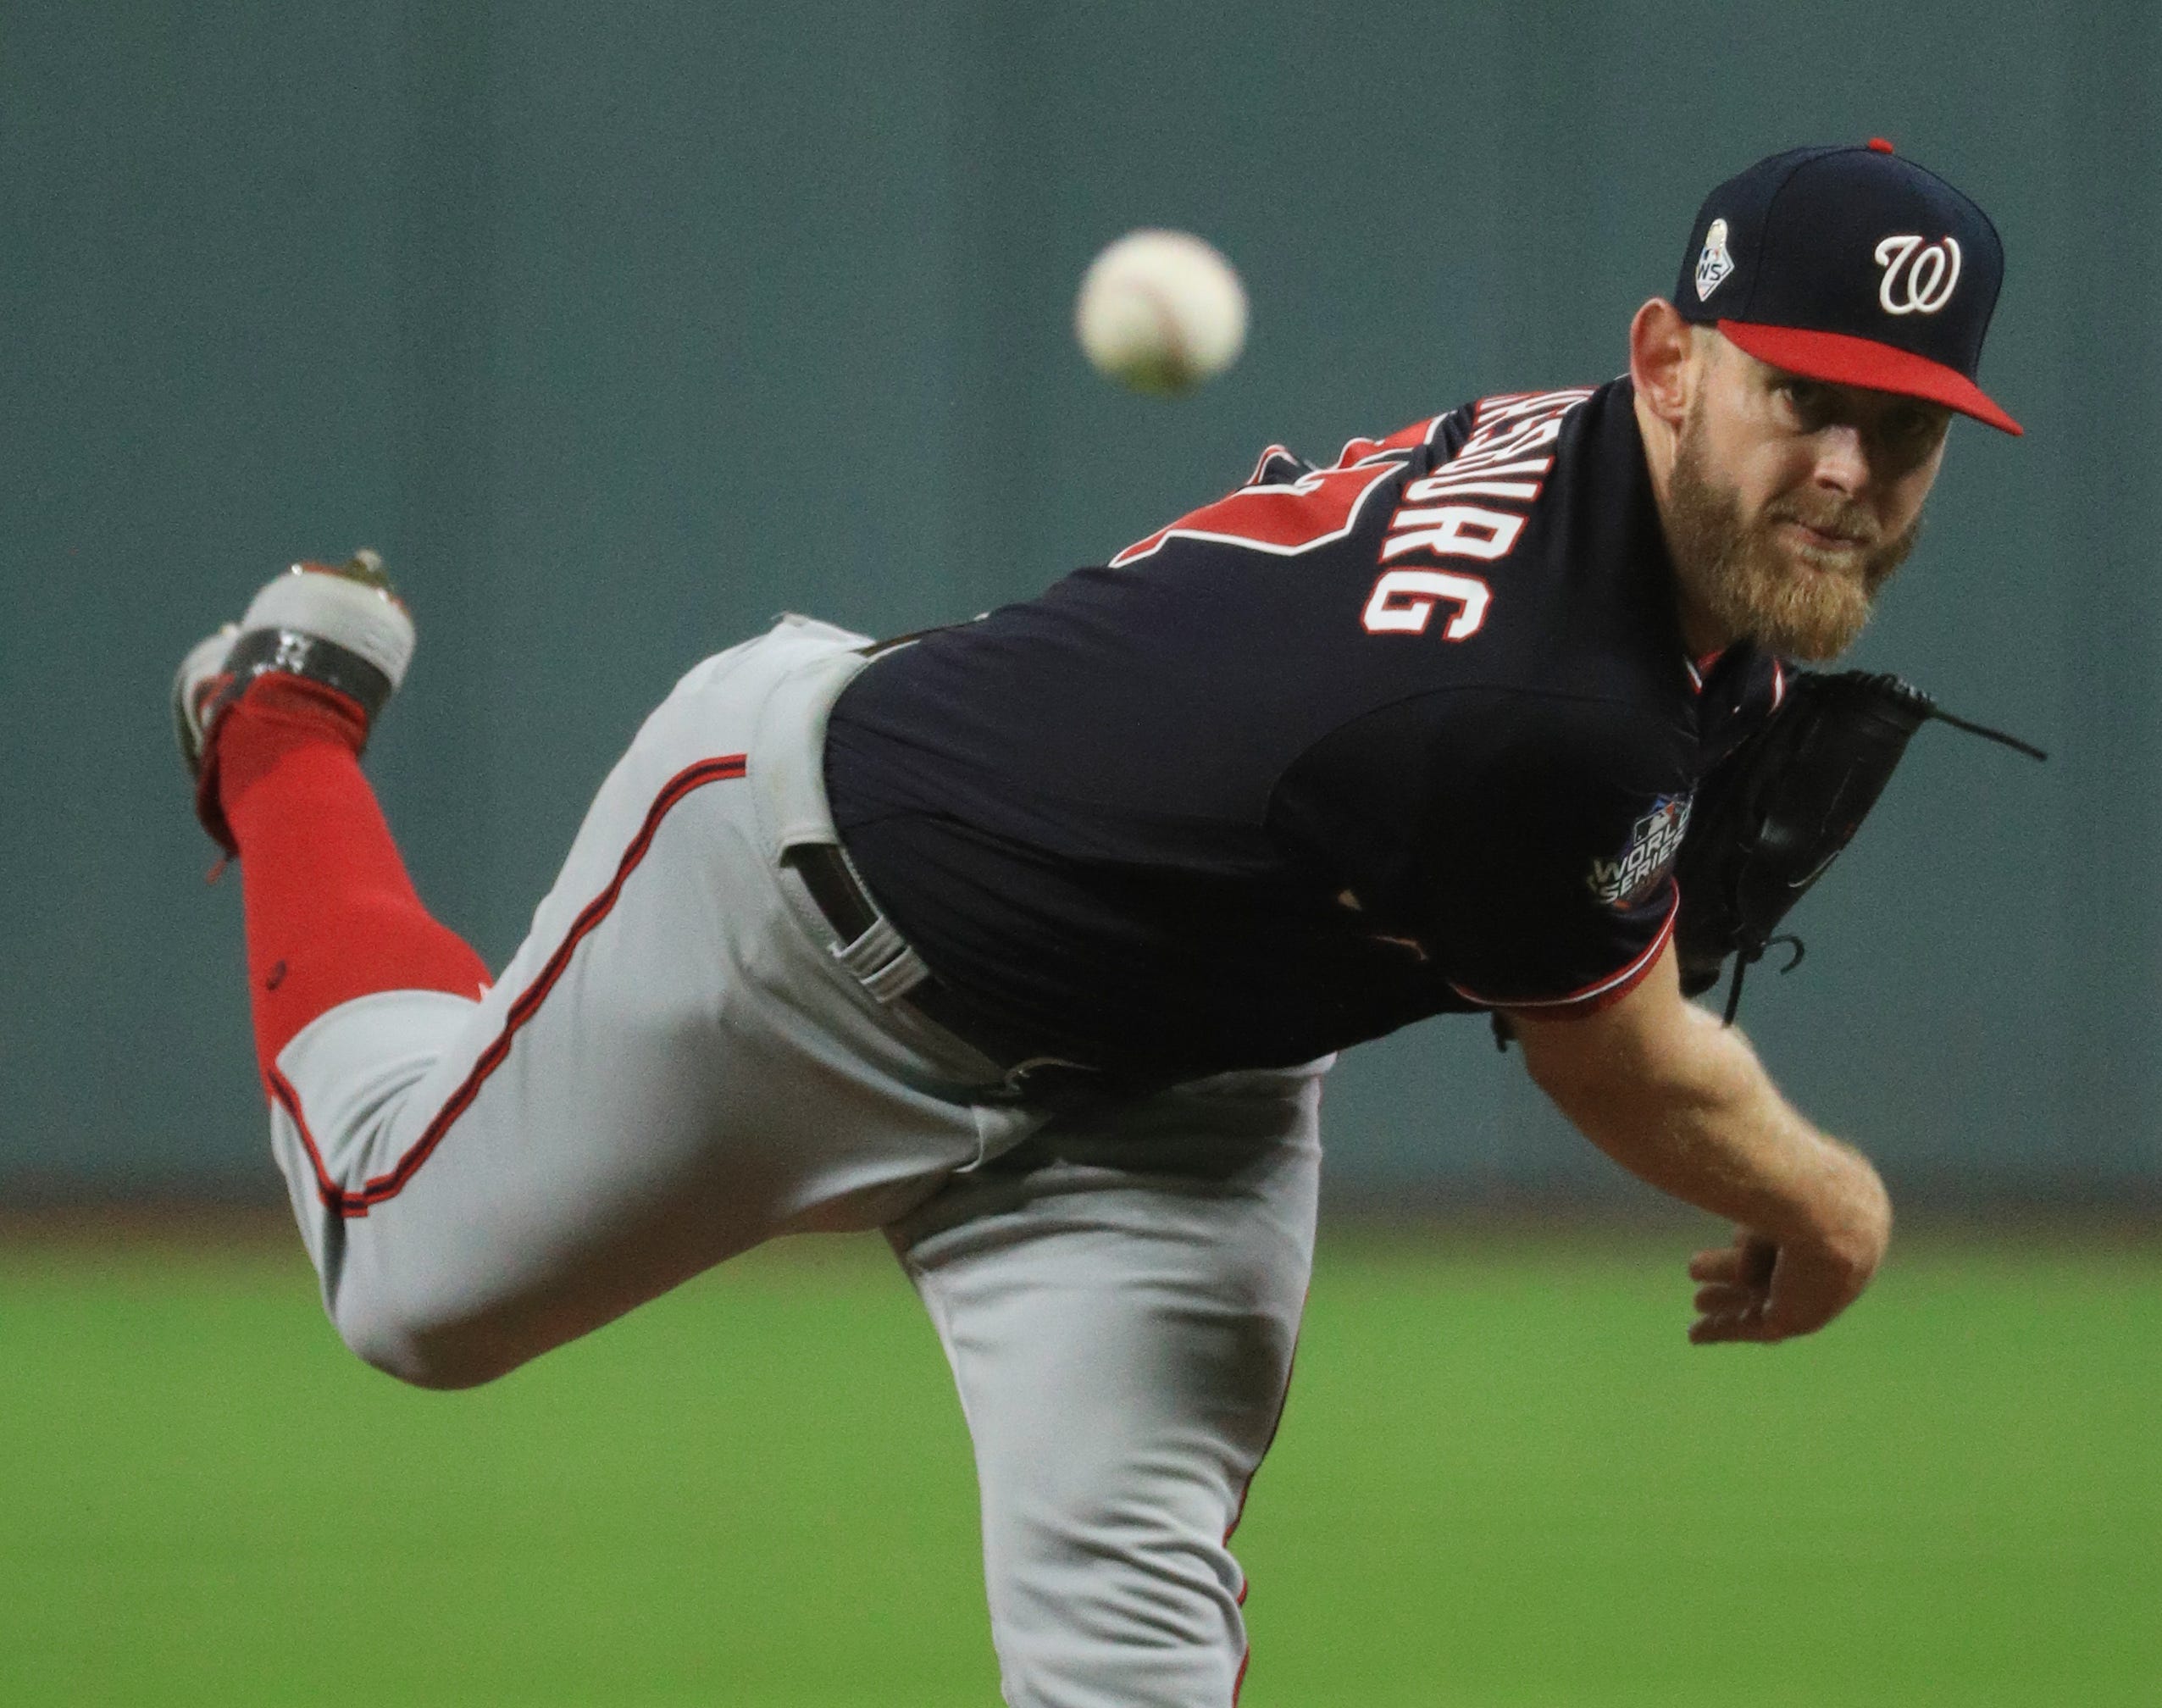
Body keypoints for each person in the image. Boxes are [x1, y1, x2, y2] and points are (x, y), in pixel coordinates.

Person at [173, 141, 2017, 1706]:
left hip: (1167, 1095)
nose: (1849, 471)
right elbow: (1626, 1074)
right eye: (1805, 402)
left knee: (1130, 1661)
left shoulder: (1624, 527)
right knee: (405, 1284)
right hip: (806, 918)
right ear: (1669, 362)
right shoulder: (1538, 715)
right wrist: (1824, 1203)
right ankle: (278, 725)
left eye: (1904, 426)